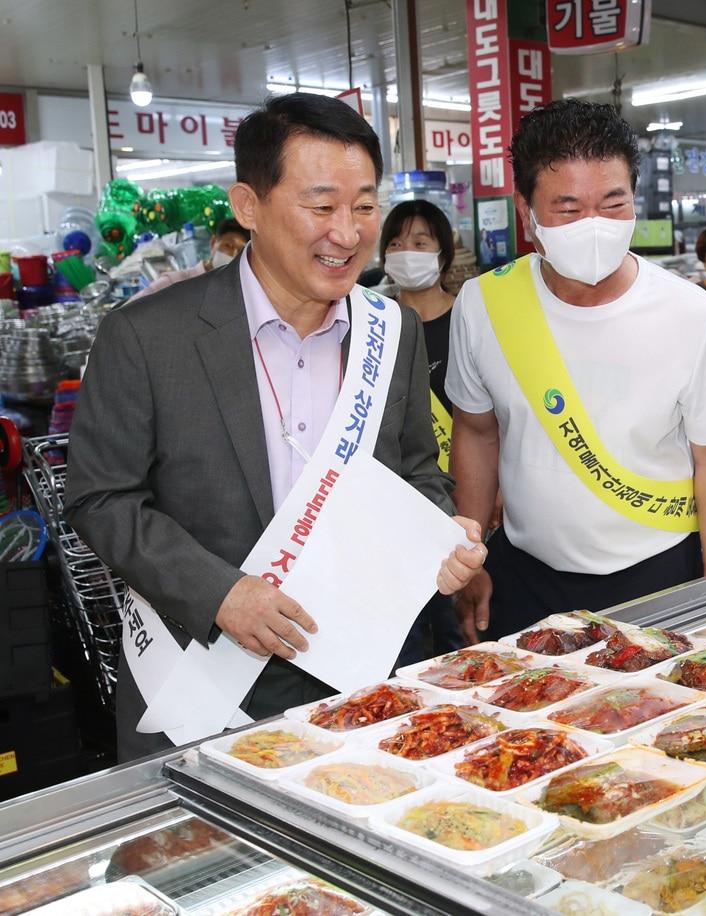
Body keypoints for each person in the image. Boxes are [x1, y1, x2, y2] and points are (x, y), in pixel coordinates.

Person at [66, 93, 486, 761]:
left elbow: (415, 471)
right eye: (321, 207)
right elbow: (100, 498)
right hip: (202, 680)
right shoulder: (148, 336)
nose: (347, 234)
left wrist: (439, 534)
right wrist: (221, 592)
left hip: (364, 679)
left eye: (364, 207)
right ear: (248, 206)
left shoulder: (391, 331)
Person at [447, 98, 706, 641]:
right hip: (526, 579)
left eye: (613, 204)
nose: (594, 226)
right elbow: (475, 430)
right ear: (527, 212)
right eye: (568, 209)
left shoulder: (691, 313)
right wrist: (472, 562)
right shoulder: (483, 304)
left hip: (659, 575)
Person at [378, 199, 468, 663]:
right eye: (394, 243)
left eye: (419, 242)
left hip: (468, 504)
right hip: (401, 508)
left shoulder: (470, 319)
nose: (405, 252)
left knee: (460, 628)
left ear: (443, 252)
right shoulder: (376, 326)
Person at [128, 218, 250, 301]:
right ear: (213, 243)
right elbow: (128, 311)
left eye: (240, 251)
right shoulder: (175, 282)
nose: (233, 254)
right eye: (228, 246)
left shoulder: (235, 293)